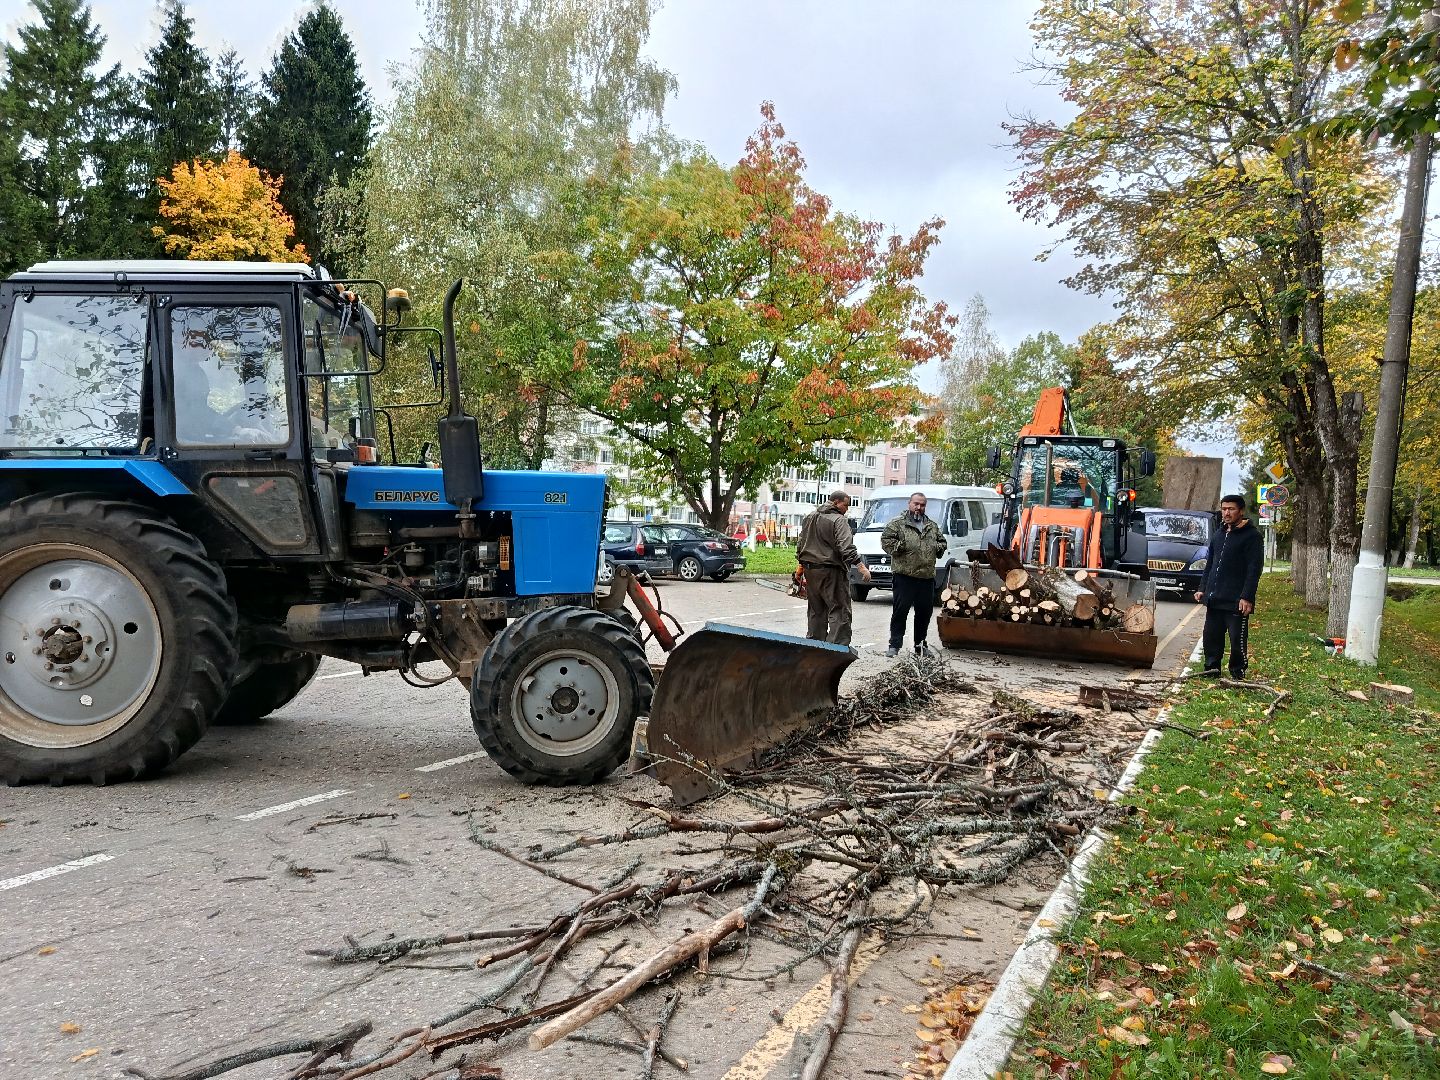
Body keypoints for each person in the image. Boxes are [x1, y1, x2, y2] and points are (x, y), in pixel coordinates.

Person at [1194, 494, 1264, 678]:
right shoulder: (1219, 534)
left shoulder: (1252, 536)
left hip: (1236, 600)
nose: (1226, 513)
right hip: (1215, 598)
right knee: (1211, 637)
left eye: (1231, 509)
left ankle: (1237, 671)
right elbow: (1210, 564)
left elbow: (1254, 569)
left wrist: (1247, 597)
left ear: (1241, 511)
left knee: (1236, 639)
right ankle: (1211, 668)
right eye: (1224, 509)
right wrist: (1202, 588)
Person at [797, 490, 869, 645]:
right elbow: (846, 547)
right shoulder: (838, 520)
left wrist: (801, 566)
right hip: (831, 571)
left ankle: (814, 647)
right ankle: (836, 649)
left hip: (811, 570)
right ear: (836, 502)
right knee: (839, 610)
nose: (846, 509)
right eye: (845, 505)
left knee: (816, 610)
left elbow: (801, 543)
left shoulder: (810, 517)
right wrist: (861, 566)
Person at [881, 492, 947, 657]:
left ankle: (920, 646)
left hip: (926, 577)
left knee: (924, 614)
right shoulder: (897, 524)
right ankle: (894, 645)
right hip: (905, 576)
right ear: (909, 504)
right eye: (916, 504)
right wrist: (901, 546)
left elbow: (942, 542)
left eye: (922, 505)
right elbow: (886, 542)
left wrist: (936, 547)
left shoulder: (931, 525)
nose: (918, 507)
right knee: (900, 612)